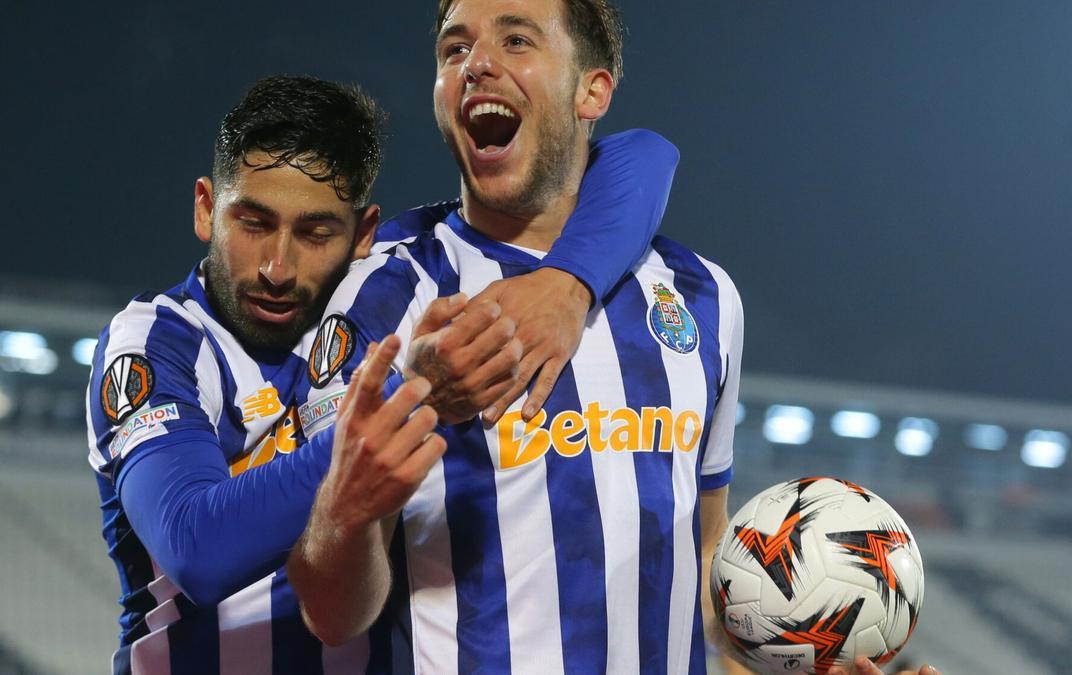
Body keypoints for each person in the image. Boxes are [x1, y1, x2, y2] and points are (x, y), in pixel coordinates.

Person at [290, 2, 936, 675]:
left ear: (591, 91)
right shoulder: (384, 295)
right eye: (454, 50)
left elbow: (705, 555)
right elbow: (332, 614)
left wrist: (791, 658)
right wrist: (351, 501)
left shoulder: (703, 296)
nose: (477, 63)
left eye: (516, 40)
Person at [86, 74, 680, 673]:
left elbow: (645, 155)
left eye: (316, 233)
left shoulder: (386, 291)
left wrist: (566, 284)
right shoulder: (156, 341)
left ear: (363, 234)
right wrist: (414, 401)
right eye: (253, 223)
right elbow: (196, 546)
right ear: (206, 208)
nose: (276, 266)